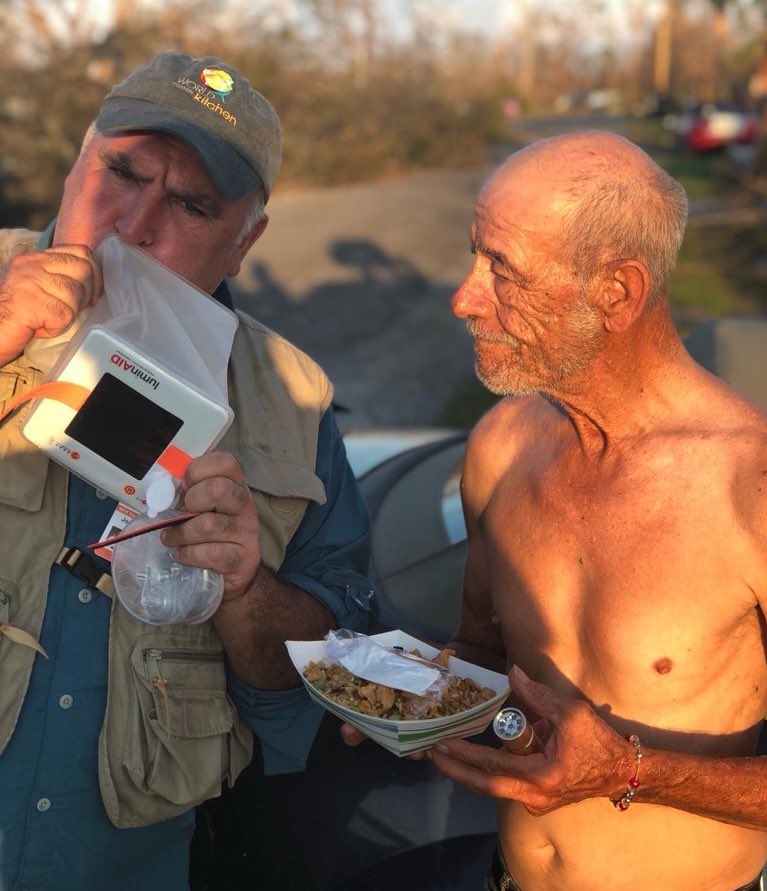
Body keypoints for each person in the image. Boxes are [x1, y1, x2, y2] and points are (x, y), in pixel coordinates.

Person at [0, 51, 373, 891]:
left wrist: (245, 589)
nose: (134, 224)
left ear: (246, 240)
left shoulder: (293, 400)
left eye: (192, 204)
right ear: (74, 165)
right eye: (120, 172)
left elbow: (328, 668)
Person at [417, 130, 767, 891]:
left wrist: (632, 770)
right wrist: (413, 699)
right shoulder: (501, 445)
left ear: (616, 293)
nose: (464, 297)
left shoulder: (749, 484)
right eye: (476, 255)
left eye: (502, 269)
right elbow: (479, 647)